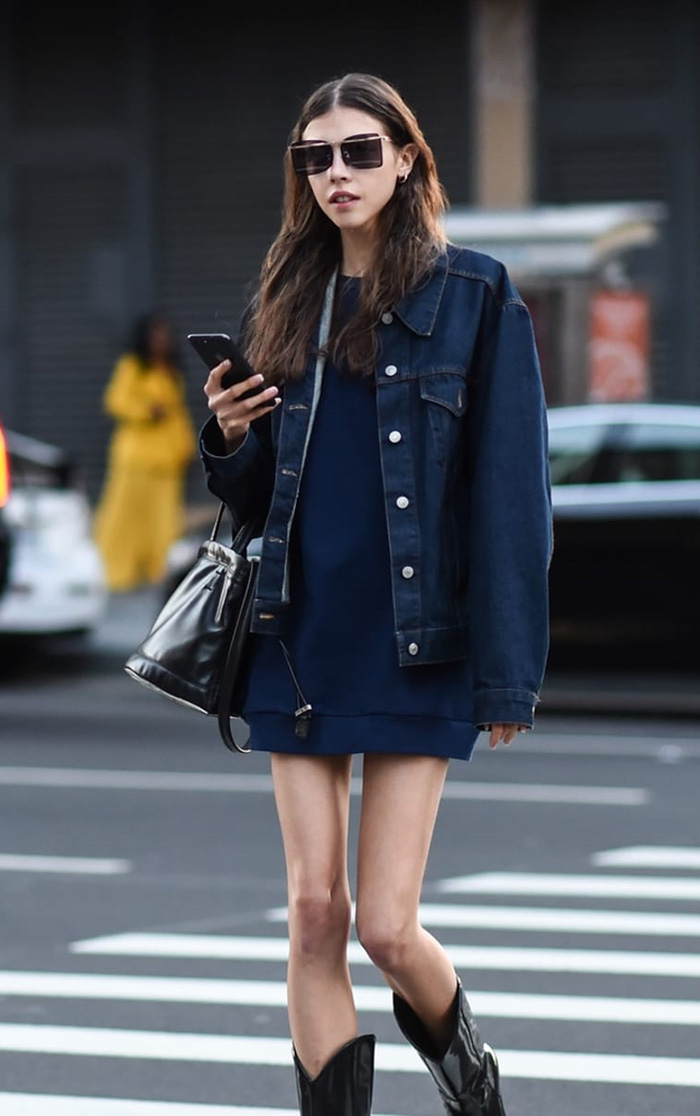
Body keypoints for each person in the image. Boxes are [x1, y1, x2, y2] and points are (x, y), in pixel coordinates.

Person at [199, 73, 552, 1116]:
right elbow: (262, 494)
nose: (337, 175)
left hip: (417, 640)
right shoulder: (285, 300)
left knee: (385, 929)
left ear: (407, 159)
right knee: (314, 910)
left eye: (359, 152)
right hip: (296, 632)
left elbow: (510, 498)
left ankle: (468, 1078)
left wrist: (507, 673)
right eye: (316, 158)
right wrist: (225, 438)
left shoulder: (475, 297)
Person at [93, 310, 197, 592]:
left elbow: (178, 415)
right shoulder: (132, 367)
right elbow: (116, 402)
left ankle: (159, 572)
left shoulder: (171, 370)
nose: (162, 341)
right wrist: (147, 411)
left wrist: (187, 446)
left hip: (166, 461)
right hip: (135, 459)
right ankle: (115, 573)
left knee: (164, 520)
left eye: (166, 335)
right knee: (124, 517)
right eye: (156, 335)